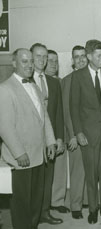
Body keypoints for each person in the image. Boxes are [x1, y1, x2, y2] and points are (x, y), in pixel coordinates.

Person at [0, 48, 56, 229]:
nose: (30, 65)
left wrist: (51, 141)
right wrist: (18, 153)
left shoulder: (34, 86)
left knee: (35, 203)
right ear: (14, 63)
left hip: (39, 156)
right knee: (21, 205)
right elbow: (5, 126)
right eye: (24, 61)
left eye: (31, 61)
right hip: (21, 159)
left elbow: (44, 117)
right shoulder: (5, 89)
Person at [70, 39, 101, 224]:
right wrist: (79, 132)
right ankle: (93, 209)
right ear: (89, 56)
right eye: (99, 55)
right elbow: (74, 107)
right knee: (91, 174)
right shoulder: (78, 76)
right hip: (88, 134)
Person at [30, 43, 65, 225]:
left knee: (47, 178)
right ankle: (32, 216)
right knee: (33, 180)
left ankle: (45, 212)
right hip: (32, 140)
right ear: (31, 57)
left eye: (45, 57)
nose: (42, 60)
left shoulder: (53, 82)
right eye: (38, 56)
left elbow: (58, 112)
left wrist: (58, 137)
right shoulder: (26, 80)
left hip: (50, 140)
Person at [61, 45, 88, 219]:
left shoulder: (93, 76)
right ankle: (76, 206)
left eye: (83, 56)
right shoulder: (67, 80)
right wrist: (72, 135)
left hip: (93, 133)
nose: (80, 59)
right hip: (76, 134)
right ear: (72, 60)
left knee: (90, 170)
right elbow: (66, 110)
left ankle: (86, 200)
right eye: (76, 57)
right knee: (77, 171)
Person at [43, 49, 69, 214]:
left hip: (60, 131)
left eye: (56, 61)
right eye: (50, 60)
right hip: (43, 133)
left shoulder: (61, 82)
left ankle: (57, 201)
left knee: (59, 169)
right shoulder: (36, 81)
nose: (53, 64)